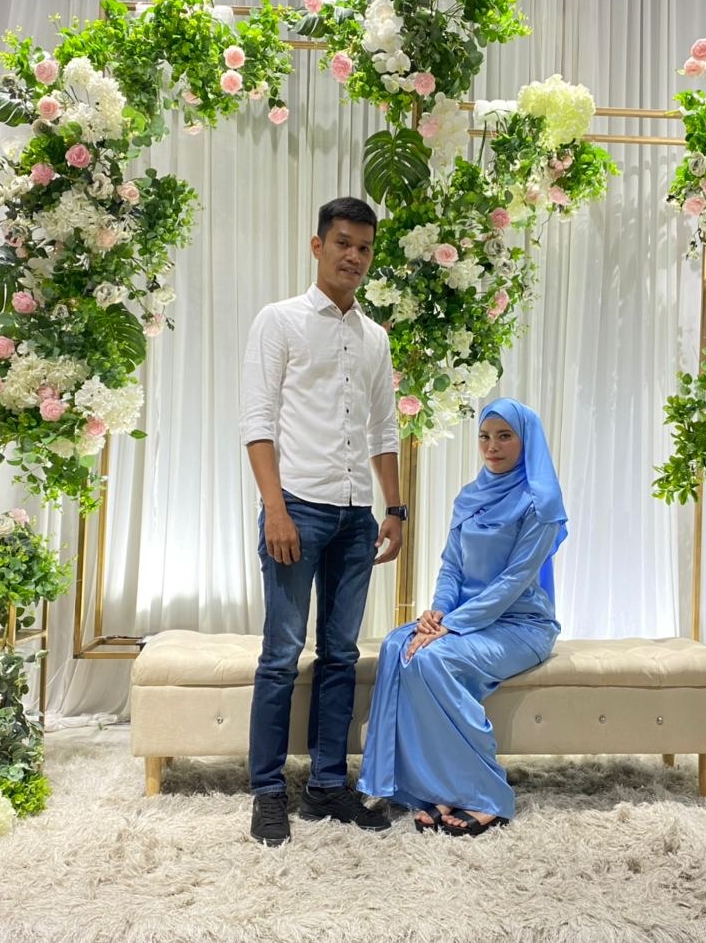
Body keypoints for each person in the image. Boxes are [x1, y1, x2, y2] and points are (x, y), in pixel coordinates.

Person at [239, 197, 405, 846]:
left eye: (364, 248)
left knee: (340, 655)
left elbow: (383, 429)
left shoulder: (375, 338)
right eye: (342, 243)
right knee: (281, 655)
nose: (353, 257)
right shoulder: (279, 321)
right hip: (297, 510)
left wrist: (394, 509)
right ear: (317, 246)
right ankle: (267, 790)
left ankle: (328, 785)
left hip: (356, 518)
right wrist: (275, 508)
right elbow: (257, 421)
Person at [357, 398, 568, 836]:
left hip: (520, 625)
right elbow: (452, 566)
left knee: (433, 658)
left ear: (527, 440)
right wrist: (438, 612)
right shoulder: (470, 497)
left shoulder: (540, 501)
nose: (492, 446)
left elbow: (514, 581)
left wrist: (451, 626)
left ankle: (486, 794)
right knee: (399, 647)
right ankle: (440, 787)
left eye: (505, 436)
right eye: (485, 437)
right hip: (464, 619)